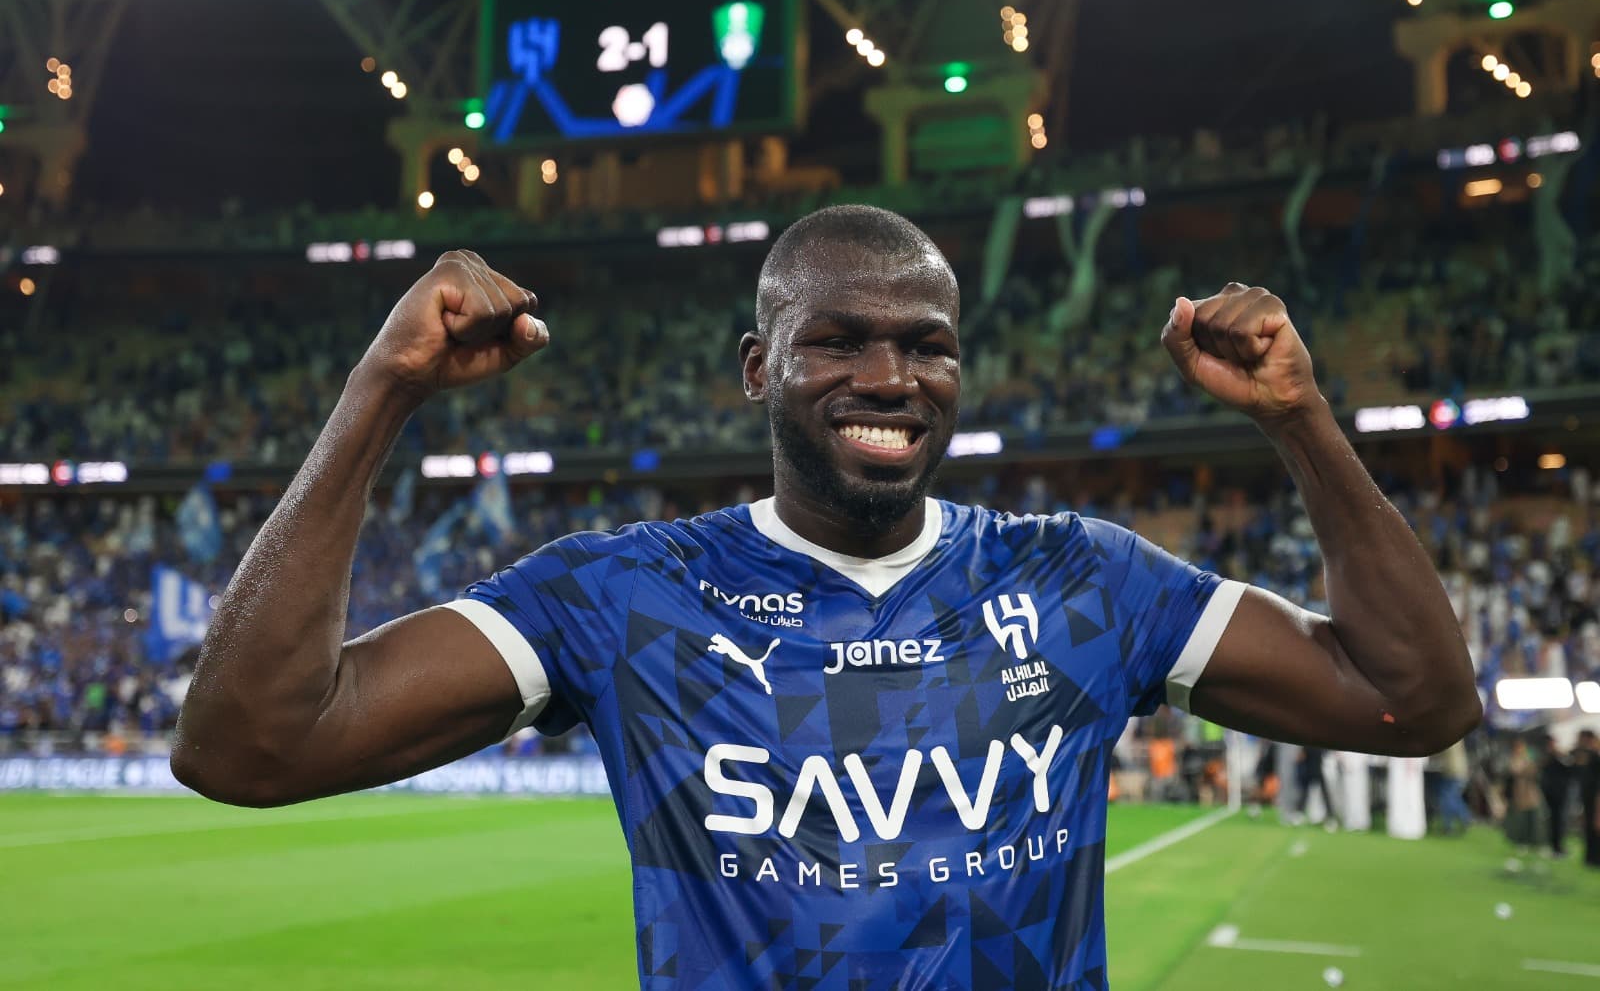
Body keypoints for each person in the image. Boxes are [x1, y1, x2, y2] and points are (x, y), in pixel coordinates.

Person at [172, 207, 1481, 988]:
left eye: (925, 344)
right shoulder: (625, 596)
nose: (889, 375)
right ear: (758, 366)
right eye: (838, 340)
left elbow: (1414, 696)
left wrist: (1302, 418)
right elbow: (249, 743)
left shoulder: (1083, 577)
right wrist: (380, 390)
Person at [1537, 733, 1572, 856]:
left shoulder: (1557, 756)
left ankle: (1557, 846)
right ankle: (1556, 847)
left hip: (1559, 791)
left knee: (1558, 820)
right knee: (1556, 820)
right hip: (1553, 792)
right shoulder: (1547, 757)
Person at [1575, 729, 1600, 868]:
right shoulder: (1587, 756)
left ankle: (1595, 858)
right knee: (1589, 828)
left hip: (1596, 798)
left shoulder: (1595, 757)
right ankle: (1591, 858)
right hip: (1588, 798)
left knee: (1595, 828)